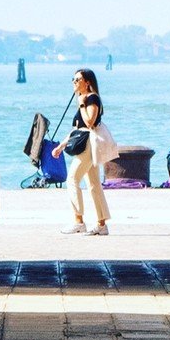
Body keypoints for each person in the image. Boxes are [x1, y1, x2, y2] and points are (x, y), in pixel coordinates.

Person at [54, 67, 117, 236]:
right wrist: (61, 146)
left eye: (78, 80)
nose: (74, 83)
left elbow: (89, 122)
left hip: (89, 145)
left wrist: (81, 102)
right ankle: (101, 225)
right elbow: (77, 128)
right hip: (84, 142)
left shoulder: (92, 98)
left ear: (87, 82)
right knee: (94, 185)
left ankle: (78, 221)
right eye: (73, 80)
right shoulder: (83, 99)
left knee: (72, 179)